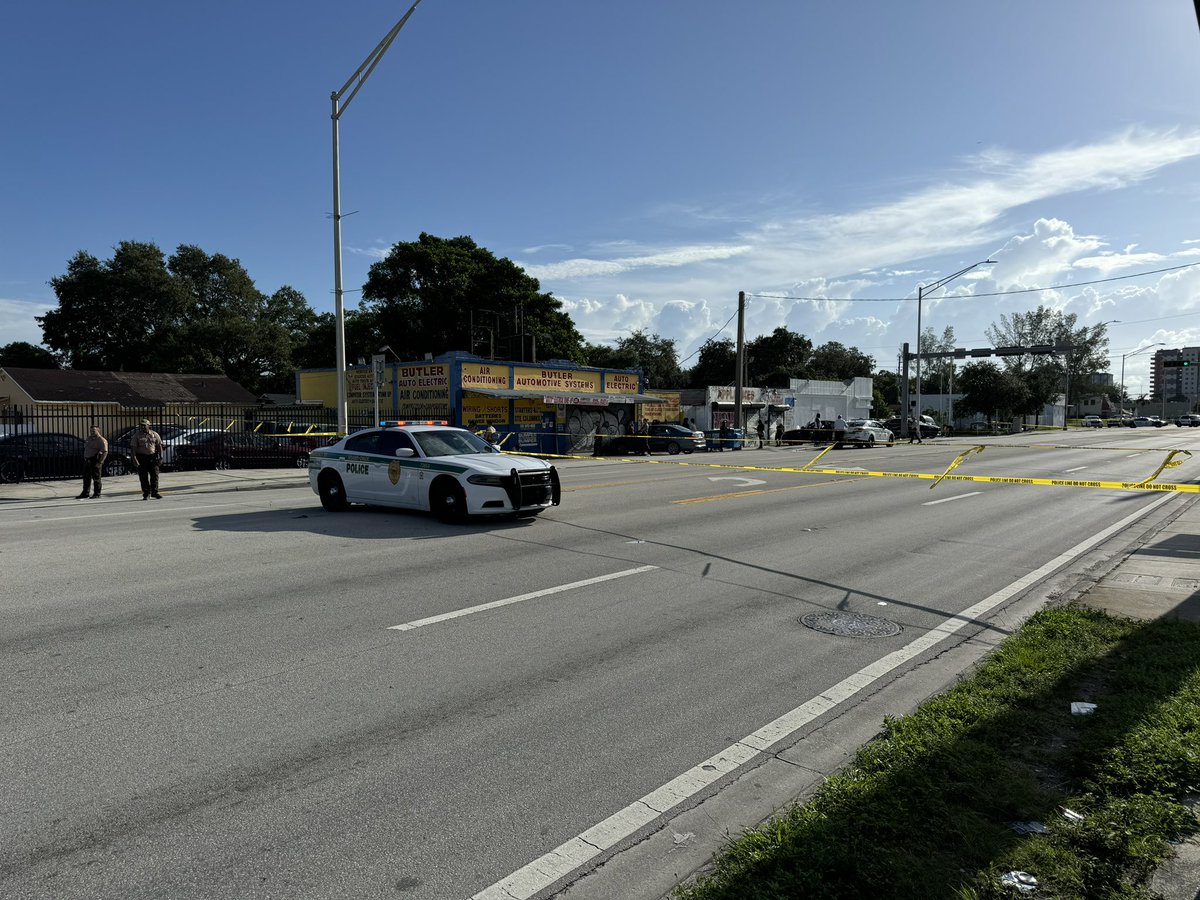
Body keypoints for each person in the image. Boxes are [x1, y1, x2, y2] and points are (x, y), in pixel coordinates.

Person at [130, 419, 165, 499]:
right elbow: (133, 449)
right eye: (141, 425)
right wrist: (135, 459)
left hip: (152, 457)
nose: (142, 427)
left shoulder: (154, 434)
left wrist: (161, 457)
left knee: (155, 476)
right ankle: (146, 493)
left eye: (144, 425)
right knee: (143, 477)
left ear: (149, 425)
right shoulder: (137, 435)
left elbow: (159, 446)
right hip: (141, 458)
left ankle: (155, 492)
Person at [77, 425, 108, 499]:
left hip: (95, 460)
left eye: (93, 431)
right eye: (91, 431)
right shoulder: (89, 438)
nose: (92, 432)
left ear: (98, 431)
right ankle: (85, 493)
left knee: (96, 478)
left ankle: (97, 493)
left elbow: (105, 452)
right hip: (87, 460)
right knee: (86, 478)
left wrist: (100, 462)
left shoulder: (101, 440)